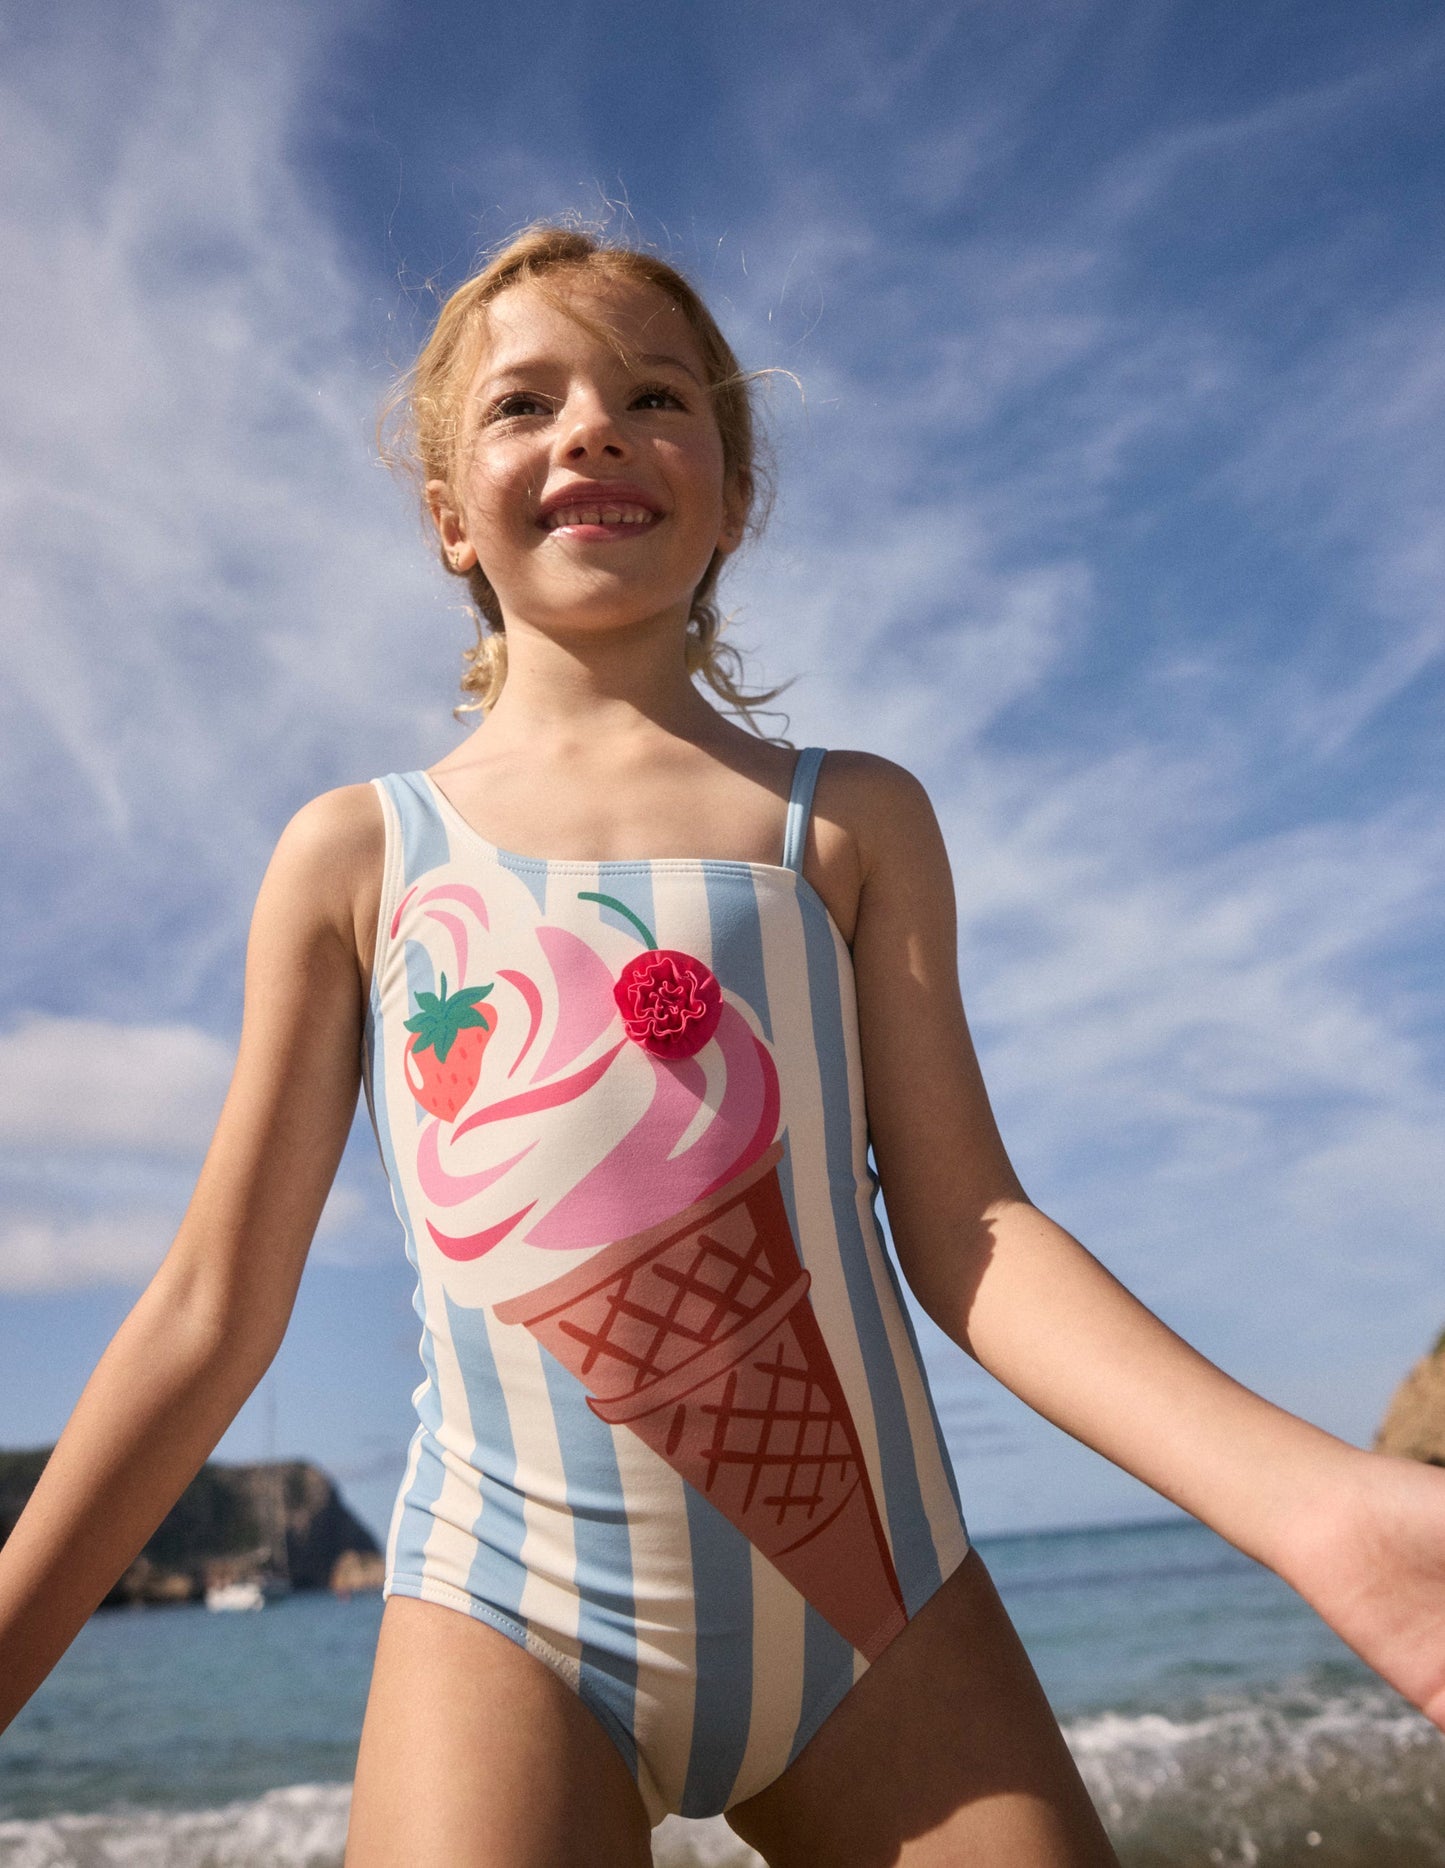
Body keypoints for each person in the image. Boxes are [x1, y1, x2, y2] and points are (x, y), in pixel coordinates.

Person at [1, 223, 1442, 1868]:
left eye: (655, 395)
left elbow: (972, 1235)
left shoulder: (845, 820)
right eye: (521, 404)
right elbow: (209, 1311)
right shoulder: (359, 855)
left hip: (884, 1616)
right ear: (443, 518)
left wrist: (1316, 1508)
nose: (592, 429)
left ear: (734, 492)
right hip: (510, 1608)